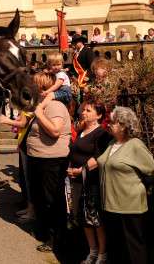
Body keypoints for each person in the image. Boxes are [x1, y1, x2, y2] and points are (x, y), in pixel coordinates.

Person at [97, 107, 154, 264]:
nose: (109, 125)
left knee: (134, 248)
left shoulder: (135, 145)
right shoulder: (111, 143)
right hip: (110, 206)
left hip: (130, 207)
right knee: (116, 248)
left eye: (113, 122)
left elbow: (151, 169)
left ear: (124, 125)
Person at [26, 72, 71, 253]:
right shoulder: (41, 104)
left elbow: (54, 131)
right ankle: (44, 231)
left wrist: (38, 113)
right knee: (39, 197)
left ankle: (56, 238)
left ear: (41, 87)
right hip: (37, 158)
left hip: (51, 160)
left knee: (52, 199)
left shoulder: (56, 106)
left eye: (33, 84)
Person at [66, 101, 111, 264]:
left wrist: (82, 169)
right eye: (83, 110)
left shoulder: (101, 134)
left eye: (88, 110)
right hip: (77, 180)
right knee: (83, 217)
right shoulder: (82, 130)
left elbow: (98, 156)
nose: (83, 112)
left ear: (98, 115)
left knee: (95, 218)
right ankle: (92, 251)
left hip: (91, 181)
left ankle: (102, 253)